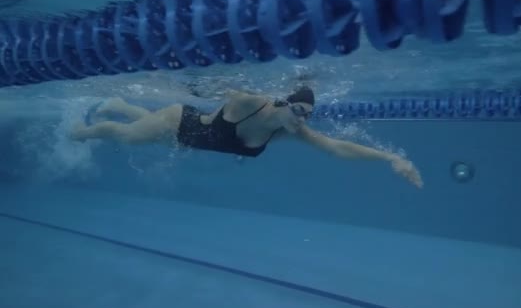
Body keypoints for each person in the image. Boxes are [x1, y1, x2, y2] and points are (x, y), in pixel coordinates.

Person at [70, 86, 423, 188]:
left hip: (190, 139)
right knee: (130, 138)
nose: (302, 123)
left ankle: (118, 103)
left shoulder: (285, 131)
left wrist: (390, 157)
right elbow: (218, 85)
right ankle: (84, 132)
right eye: (298, 113)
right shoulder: (255, 103)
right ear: (283, 103)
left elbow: (337, 147)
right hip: (180, 121)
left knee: (147, 132)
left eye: (308, 117)